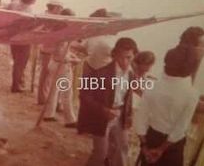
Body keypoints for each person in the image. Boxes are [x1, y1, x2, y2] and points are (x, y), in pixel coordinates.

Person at [134, 27, 203, 166]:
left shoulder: (152, 85)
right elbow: (180, 129)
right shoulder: (191, 94)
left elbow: (140, 119)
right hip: (172, 146)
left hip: (151, 137)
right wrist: (161, 150)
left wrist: (145, 147)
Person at [78, 37, 139, 166]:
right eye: (121, 57)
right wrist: (104, 110)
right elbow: (84, 96)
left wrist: (128, 115)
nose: (125, 61)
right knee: (100, 154)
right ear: (115, 54)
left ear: (134, 55)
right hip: (102, 117)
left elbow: (128, 96)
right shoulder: (101, 73)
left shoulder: (131, 74)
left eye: (129, 57)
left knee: (122, 149)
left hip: (120, 116)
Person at [43, 8, 81, 128]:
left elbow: (61, 51)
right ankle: (70, 120)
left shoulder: (57, 30)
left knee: (54, 91)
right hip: (61, 65)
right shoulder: (64, 33)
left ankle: (49, 114)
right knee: (67, 93)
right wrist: (73, 59)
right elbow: (61, 53)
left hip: (55, 63)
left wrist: (71, 56)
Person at [7, 0, 37, 93]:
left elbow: (3, 12)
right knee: (21, 63)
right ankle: (15, 85)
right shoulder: (31, 11)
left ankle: (19, 81)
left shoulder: (13, 4)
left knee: (17, 61)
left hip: (13, 38)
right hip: (24, 41)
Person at [37, 0, 64, 104]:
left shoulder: (45, 16)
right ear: (56, 7)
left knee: (45, 77)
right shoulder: (49, 18)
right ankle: (43, 100)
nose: (61, 11)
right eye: (60, 8)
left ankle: (43, 99)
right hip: (48, 50)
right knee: (46, 77)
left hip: (45, 49)